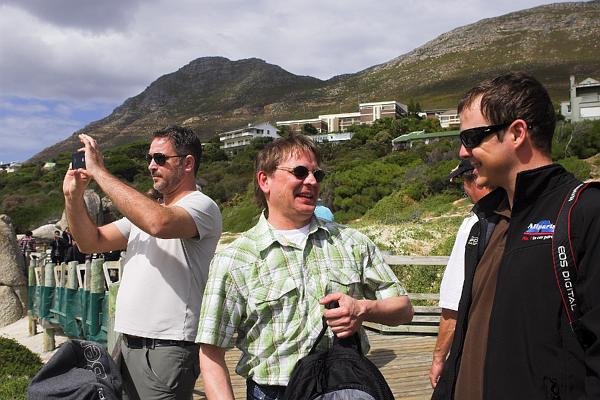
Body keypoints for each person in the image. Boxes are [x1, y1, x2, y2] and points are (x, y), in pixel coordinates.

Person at [197, 134, 414, 400]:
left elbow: (404, 310)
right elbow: (211, 352)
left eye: (317, 174)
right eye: (300, 172)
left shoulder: (352, 242)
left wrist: (363, 309)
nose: (311, 181)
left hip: (345, 387)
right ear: (264, 180)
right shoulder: (235, 259)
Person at [432, 72, 600, 400]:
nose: (463, 152)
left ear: (517, 133)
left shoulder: (585, 213)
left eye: (472, 137)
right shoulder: (485, 224)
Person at [63, 125, 222, 400]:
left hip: (166, 346)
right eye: (149, 158)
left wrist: (99, 172)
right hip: (127, 343)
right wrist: (72, 197)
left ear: (187, 163)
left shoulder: (202, 205)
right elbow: (90, 241)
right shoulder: (150, 213)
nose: (151, 165)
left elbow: (158, 223)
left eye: (160, 158)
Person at [429, 159, 492, 388]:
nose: (464, 190)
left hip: (476, 348)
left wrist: (439, 358)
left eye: (463, 183)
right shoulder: (520, 217)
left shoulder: (472, 226)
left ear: (474, 180)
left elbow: (453, 304)